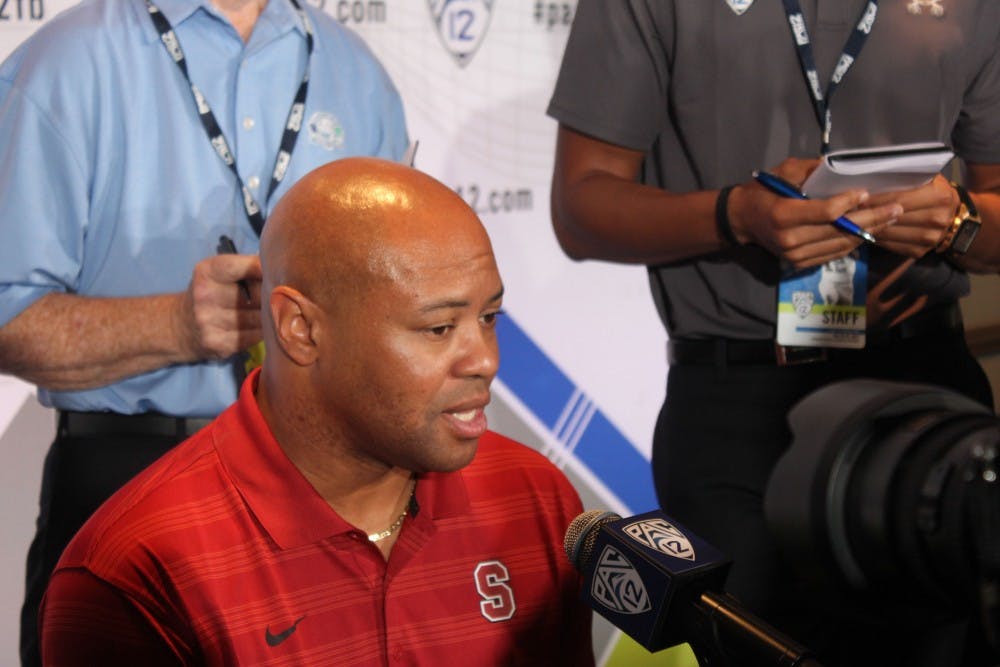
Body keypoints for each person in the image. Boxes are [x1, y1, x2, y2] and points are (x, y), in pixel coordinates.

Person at [547, 2, 999, 666]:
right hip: (738, 411)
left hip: (922, 397)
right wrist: (735, 215)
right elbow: (582, 207)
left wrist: (956, 218)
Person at [37, 157, 595, 666]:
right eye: (439, 328)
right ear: (300, 329)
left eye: (490, 317)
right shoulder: (137, 568)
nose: (485, 360)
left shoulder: (534, 498)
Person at [0, 0, 408, 662]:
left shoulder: (358, 74)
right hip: (130, 483)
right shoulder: (65, 62)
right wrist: (178, 325)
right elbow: (5, 314)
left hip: (325, 491)